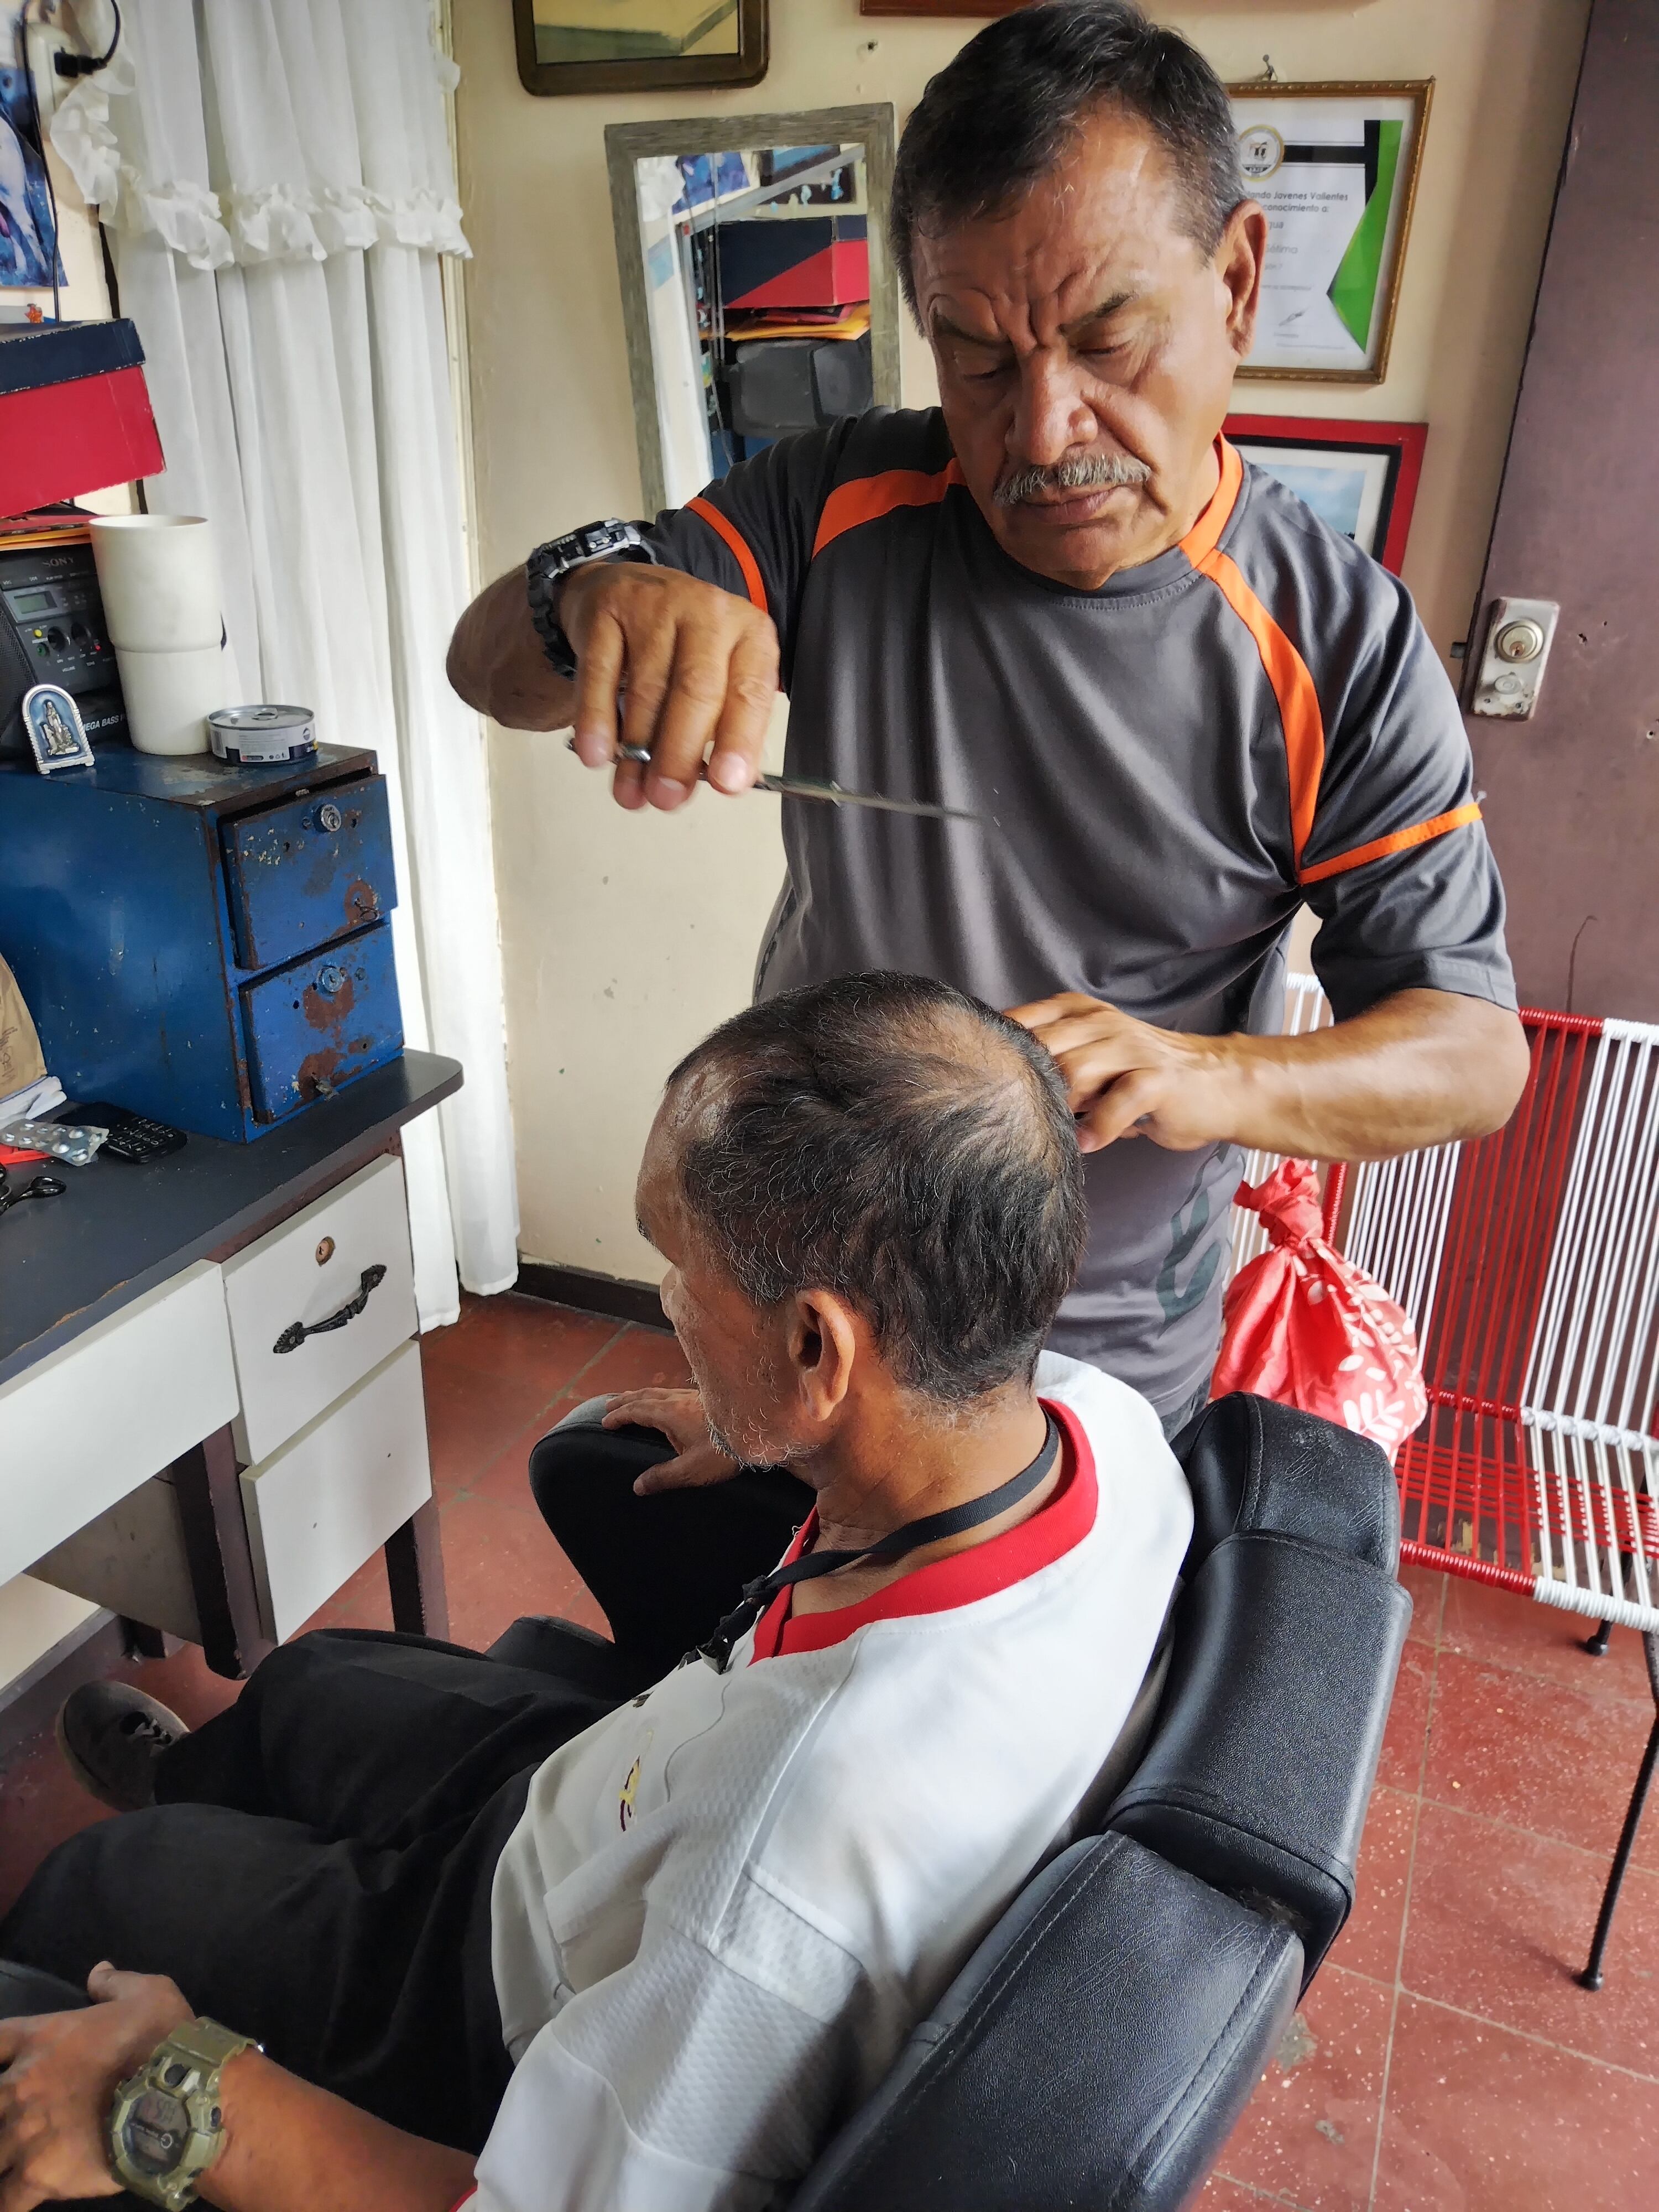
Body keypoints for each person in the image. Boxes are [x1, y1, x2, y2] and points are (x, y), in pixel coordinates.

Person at [447, 0, 1527, 1652]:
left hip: (1074, 1391)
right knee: (707, 1678)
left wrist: (1200, 1075)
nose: (1042, 432)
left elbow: (1471, 1052)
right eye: (976, 355)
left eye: (1108, 341)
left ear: (1237, 283)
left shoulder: (1334, 646)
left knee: (944, 1779)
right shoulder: (842, 504)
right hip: (803, 1333)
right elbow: (485, 670)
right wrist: (601, 591)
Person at [0, 973, 1190, 2212]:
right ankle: (221, 1795)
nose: (668, 1302)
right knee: (307, 1681)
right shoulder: (1109, 1434)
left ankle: (169, 1898)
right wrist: (778, 1425)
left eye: (680, 1269)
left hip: (499, 1996)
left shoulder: (784, 1871)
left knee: (102, 1888)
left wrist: (187, 2096)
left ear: (816, 1345)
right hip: (611, 1793)